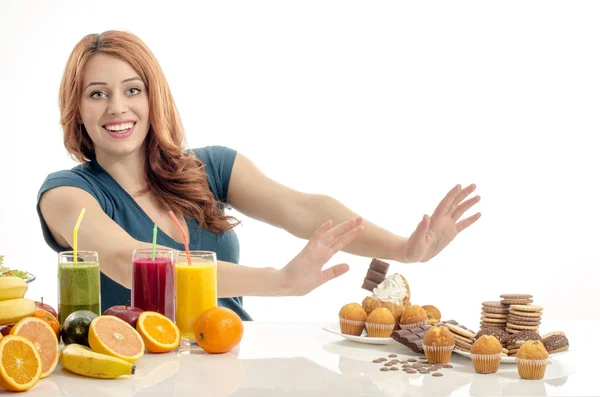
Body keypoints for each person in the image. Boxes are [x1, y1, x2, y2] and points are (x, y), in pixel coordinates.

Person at [37, 30, 481, 320]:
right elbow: (127, 260)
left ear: (154, 98)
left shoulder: (211, 166)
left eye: (133, 89)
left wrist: (404, 249)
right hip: (135, 373)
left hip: (232, 362)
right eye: (98, 94)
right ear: (77, 110)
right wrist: (279, 281)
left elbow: (303, 208)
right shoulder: (65, 195)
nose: (117, 107)